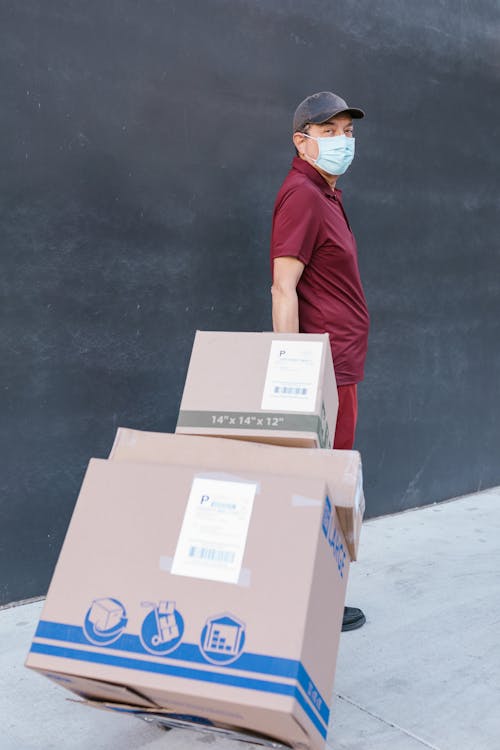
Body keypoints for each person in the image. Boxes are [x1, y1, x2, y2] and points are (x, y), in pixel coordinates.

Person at [270, 91, 370, 632]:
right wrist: (293, 371)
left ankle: (315, 595)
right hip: (323, 369)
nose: (342, 141)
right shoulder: (303, 195)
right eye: (327, 132)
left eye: (347, 131)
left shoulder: (326, 193)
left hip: (341, 363)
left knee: (328, 480)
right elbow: (283, 287)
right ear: (300, 141)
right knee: (320, 483)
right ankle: (310, 603)